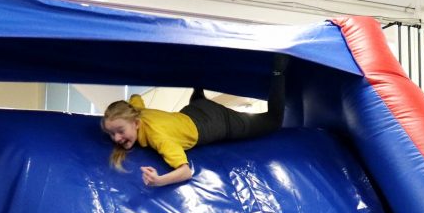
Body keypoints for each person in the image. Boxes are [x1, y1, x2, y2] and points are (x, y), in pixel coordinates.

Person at [102, 54, 289, 187]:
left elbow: (185, 172)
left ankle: (278, 71)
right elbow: (135, 98)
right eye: (111, 133)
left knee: (272, 121)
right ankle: (199, 78)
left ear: (135, 123)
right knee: (198, 102)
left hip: (214, 121)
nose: (117, 138)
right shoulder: (137, 111)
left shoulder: (157, 136)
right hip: (193, 111)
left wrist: (159, 180)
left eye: (120, 131)